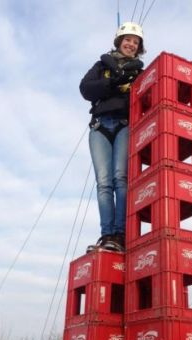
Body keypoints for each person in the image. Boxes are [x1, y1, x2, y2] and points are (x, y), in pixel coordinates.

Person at [80, 22, 145, 253]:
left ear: (139, 48)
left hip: (125, 125)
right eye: (128, 39)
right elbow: (86, 89)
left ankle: (120, 234)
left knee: (121, 178)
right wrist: (112, 82)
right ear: (119, 41)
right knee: (104, 182)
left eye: (136, 42)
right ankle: (107, 234)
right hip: (99, 126)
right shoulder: (102, 65)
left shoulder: (139, 72)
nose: (131, 44)